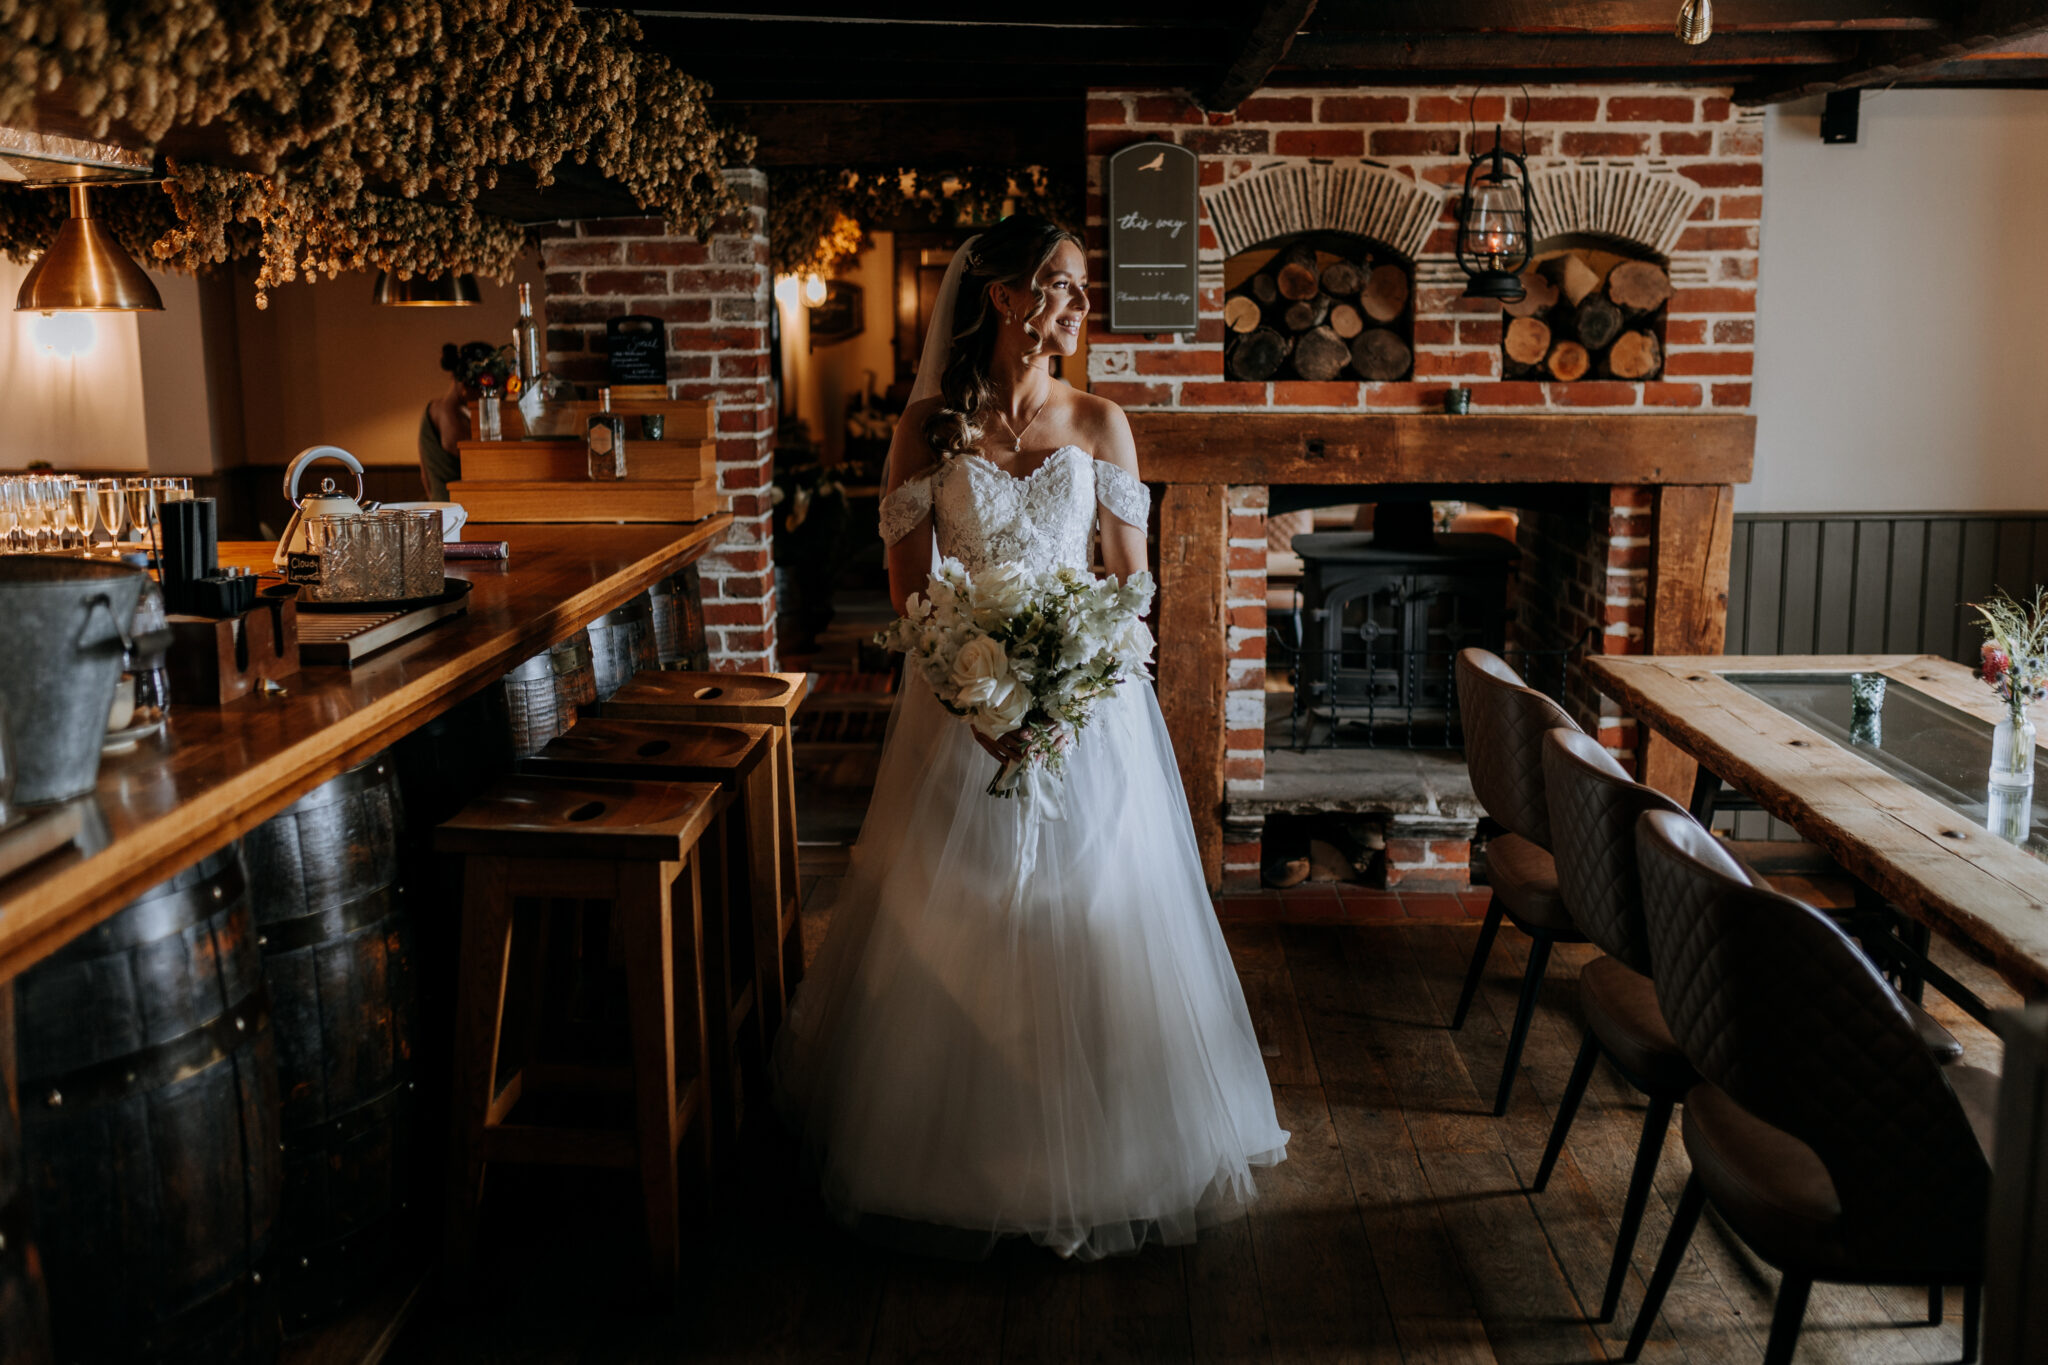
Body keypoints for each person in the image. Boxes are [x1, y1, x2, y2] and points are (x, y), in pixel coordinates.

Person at [773, 215, 1288, 1262]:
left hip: (1083, 713)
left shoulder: (1100, 421)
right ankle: (954, 1152)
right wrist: (977, 702)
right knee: (949, 912)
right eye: (1058, 286)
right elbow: (908, 591)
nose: (1076, 307)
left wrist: (1059, 690)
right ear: (1002, 297)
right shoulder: (924, 432)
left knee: (1090, 909)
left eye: (1080, 290)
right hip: (955, 704)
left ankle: (1100, 1149)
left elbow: (1129, 587)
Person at [418, 341, 497, 500]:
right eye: (482, 387)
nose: (483, 395)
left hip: (442, 504)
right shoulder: (448, 413)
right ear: (466, 384)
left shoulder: (435, 409)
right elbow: (473, 465)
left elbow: (425, 477)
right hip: (454, 506)